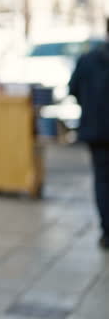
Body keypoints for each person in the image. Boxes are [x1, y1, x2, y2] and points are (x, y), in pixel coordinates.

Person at [69, 19, 109, 251]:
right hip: (97, 131)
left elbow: (73, 89)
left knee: (103, 181)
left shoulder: (88, 59)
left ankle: (106, 230)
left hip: (96, 131)